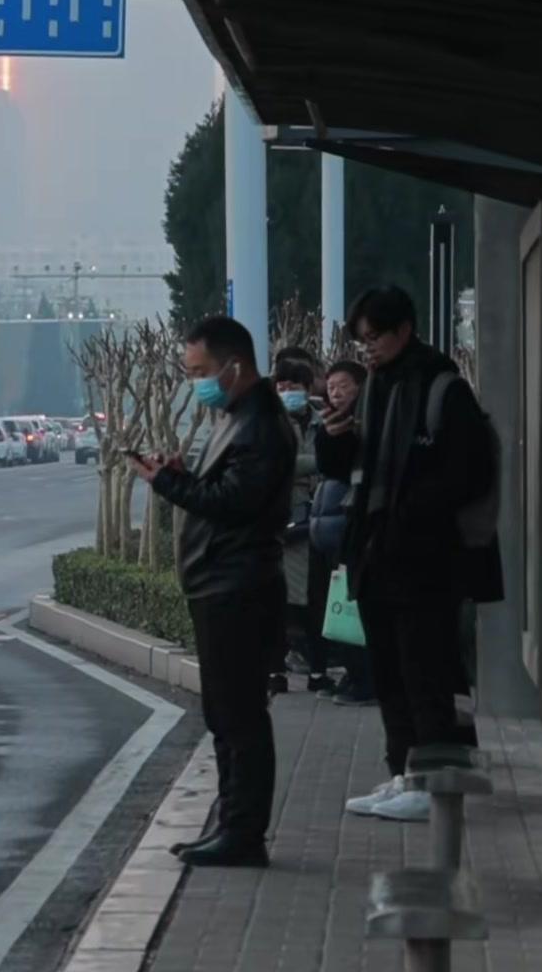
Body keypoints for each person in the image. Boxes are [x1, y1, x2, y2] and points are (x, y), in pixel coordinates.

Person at [316, 287, 502, 822]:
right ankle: (403, 772)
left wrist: (408, 517)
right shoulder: (377, 387)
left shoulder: (441, 386)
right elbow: (349, 467)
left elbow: (466, 472)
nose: (367, 349)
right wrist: (335, 436)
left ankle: (435, 783)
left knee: (428, 675)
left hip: (426, 560)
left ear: (404, 330)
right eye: (362, 340)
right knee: (391, 674)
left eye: (375, 337)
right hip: (378, 555)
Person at [130, 316, 296, 868]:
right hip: (218, 582)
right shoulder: (234, 417)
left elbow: (235, 504)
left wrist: (167, 483)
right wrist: (183, 473)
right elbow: (221, 489)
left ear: (235, 366)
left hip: (238, 586)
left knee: (241, 716)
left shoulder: (262, 425)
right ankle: (230, 822)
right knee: (224, 715)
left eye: (200, 371)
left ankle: (244, 833)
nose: (195, 382)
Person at [309, 359, 376, 705]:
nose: (336, 392)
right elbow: (328, 468)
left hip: (356, 526)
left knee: (357, 604)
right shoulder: (330, 425)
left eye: (344, 386)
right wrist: (330, 435)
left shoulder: (371, 421)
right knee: (337, 604)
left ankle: (366, 678)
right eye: (331, 387)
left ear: (361, 387)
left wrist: (346, 435)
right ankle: (353, 673)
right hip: (332, 526)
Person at [269, 355, 333, 695]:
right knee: (279, 603)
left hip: (318, 519)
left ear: (308, 389)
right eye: (281, 386)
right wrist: (319, 461)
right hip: (283, 522)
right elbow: (276, 463)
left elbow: (339, 459)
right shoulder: (270, 422)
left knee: (316, 601)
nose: (287, 391)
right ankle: (276, 671)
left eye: (293, 385)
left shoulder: (323, 422)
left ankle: (319, 671)